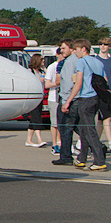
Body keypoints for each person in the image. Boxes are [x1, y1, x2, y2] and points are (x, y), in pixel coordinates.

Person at [67, 39, 106, 171]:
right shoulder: (98, 62)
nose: (75, 52)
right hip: (96, 98)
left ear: (84, 48)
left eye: (76, 49)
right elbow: (104, 81)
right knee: (84, 129)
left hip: (86, 97)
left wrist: (68, 101)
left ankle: (99, 160)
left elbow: (78, 83)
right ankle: (82, 158)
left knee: (89, 130)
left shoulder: (82, 62)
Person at [51, 40, 80, 166]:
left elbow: (68, 83)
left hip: (67, 98)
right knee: (78, 127)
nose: (61, 51)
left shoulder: (68, 63)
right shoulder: (77, 61)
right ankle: (97, 146)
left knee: (64, 128)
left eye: (63, 48)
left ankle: (66, 156)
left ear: (70, 48)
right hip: (76, 99)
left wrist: (65, 102)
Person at [43, 44, 68, 154]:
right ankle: (54, 144)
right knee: (55, 122)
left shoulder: (67, 65)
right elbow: (47, 84)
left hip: (63, 97)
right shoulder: (52, 67)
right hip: (54, 97)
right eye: (60, 54)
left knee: (63, 121)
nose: (62, 56)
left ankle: (61, 142)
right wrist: (57, 83)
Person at [24, 54, 49, 147]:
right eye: (41, 59)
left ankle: (28, 140)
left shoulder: (41, 71)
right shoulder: (30, 71)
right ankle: (39, 139)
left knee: (34, 120)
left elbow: (48, 78)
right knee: (36, 118)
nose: (43, 61)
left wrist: (45, 69)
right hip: (33, 98)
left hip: (40, 97)